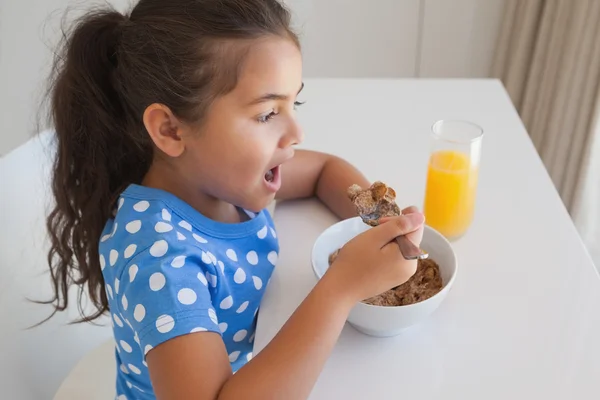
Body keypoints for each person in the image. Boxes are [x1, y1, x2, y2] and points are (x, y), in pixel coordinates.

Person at [43, 0, 425, 398]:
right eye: (266, 114)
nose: (296, 132)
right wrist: (341, 286)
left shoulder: (223, 179)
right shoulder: (158, 259)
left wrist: (373, 219)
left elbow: (325, 170)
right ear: (171, 130)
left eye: (295, 103)